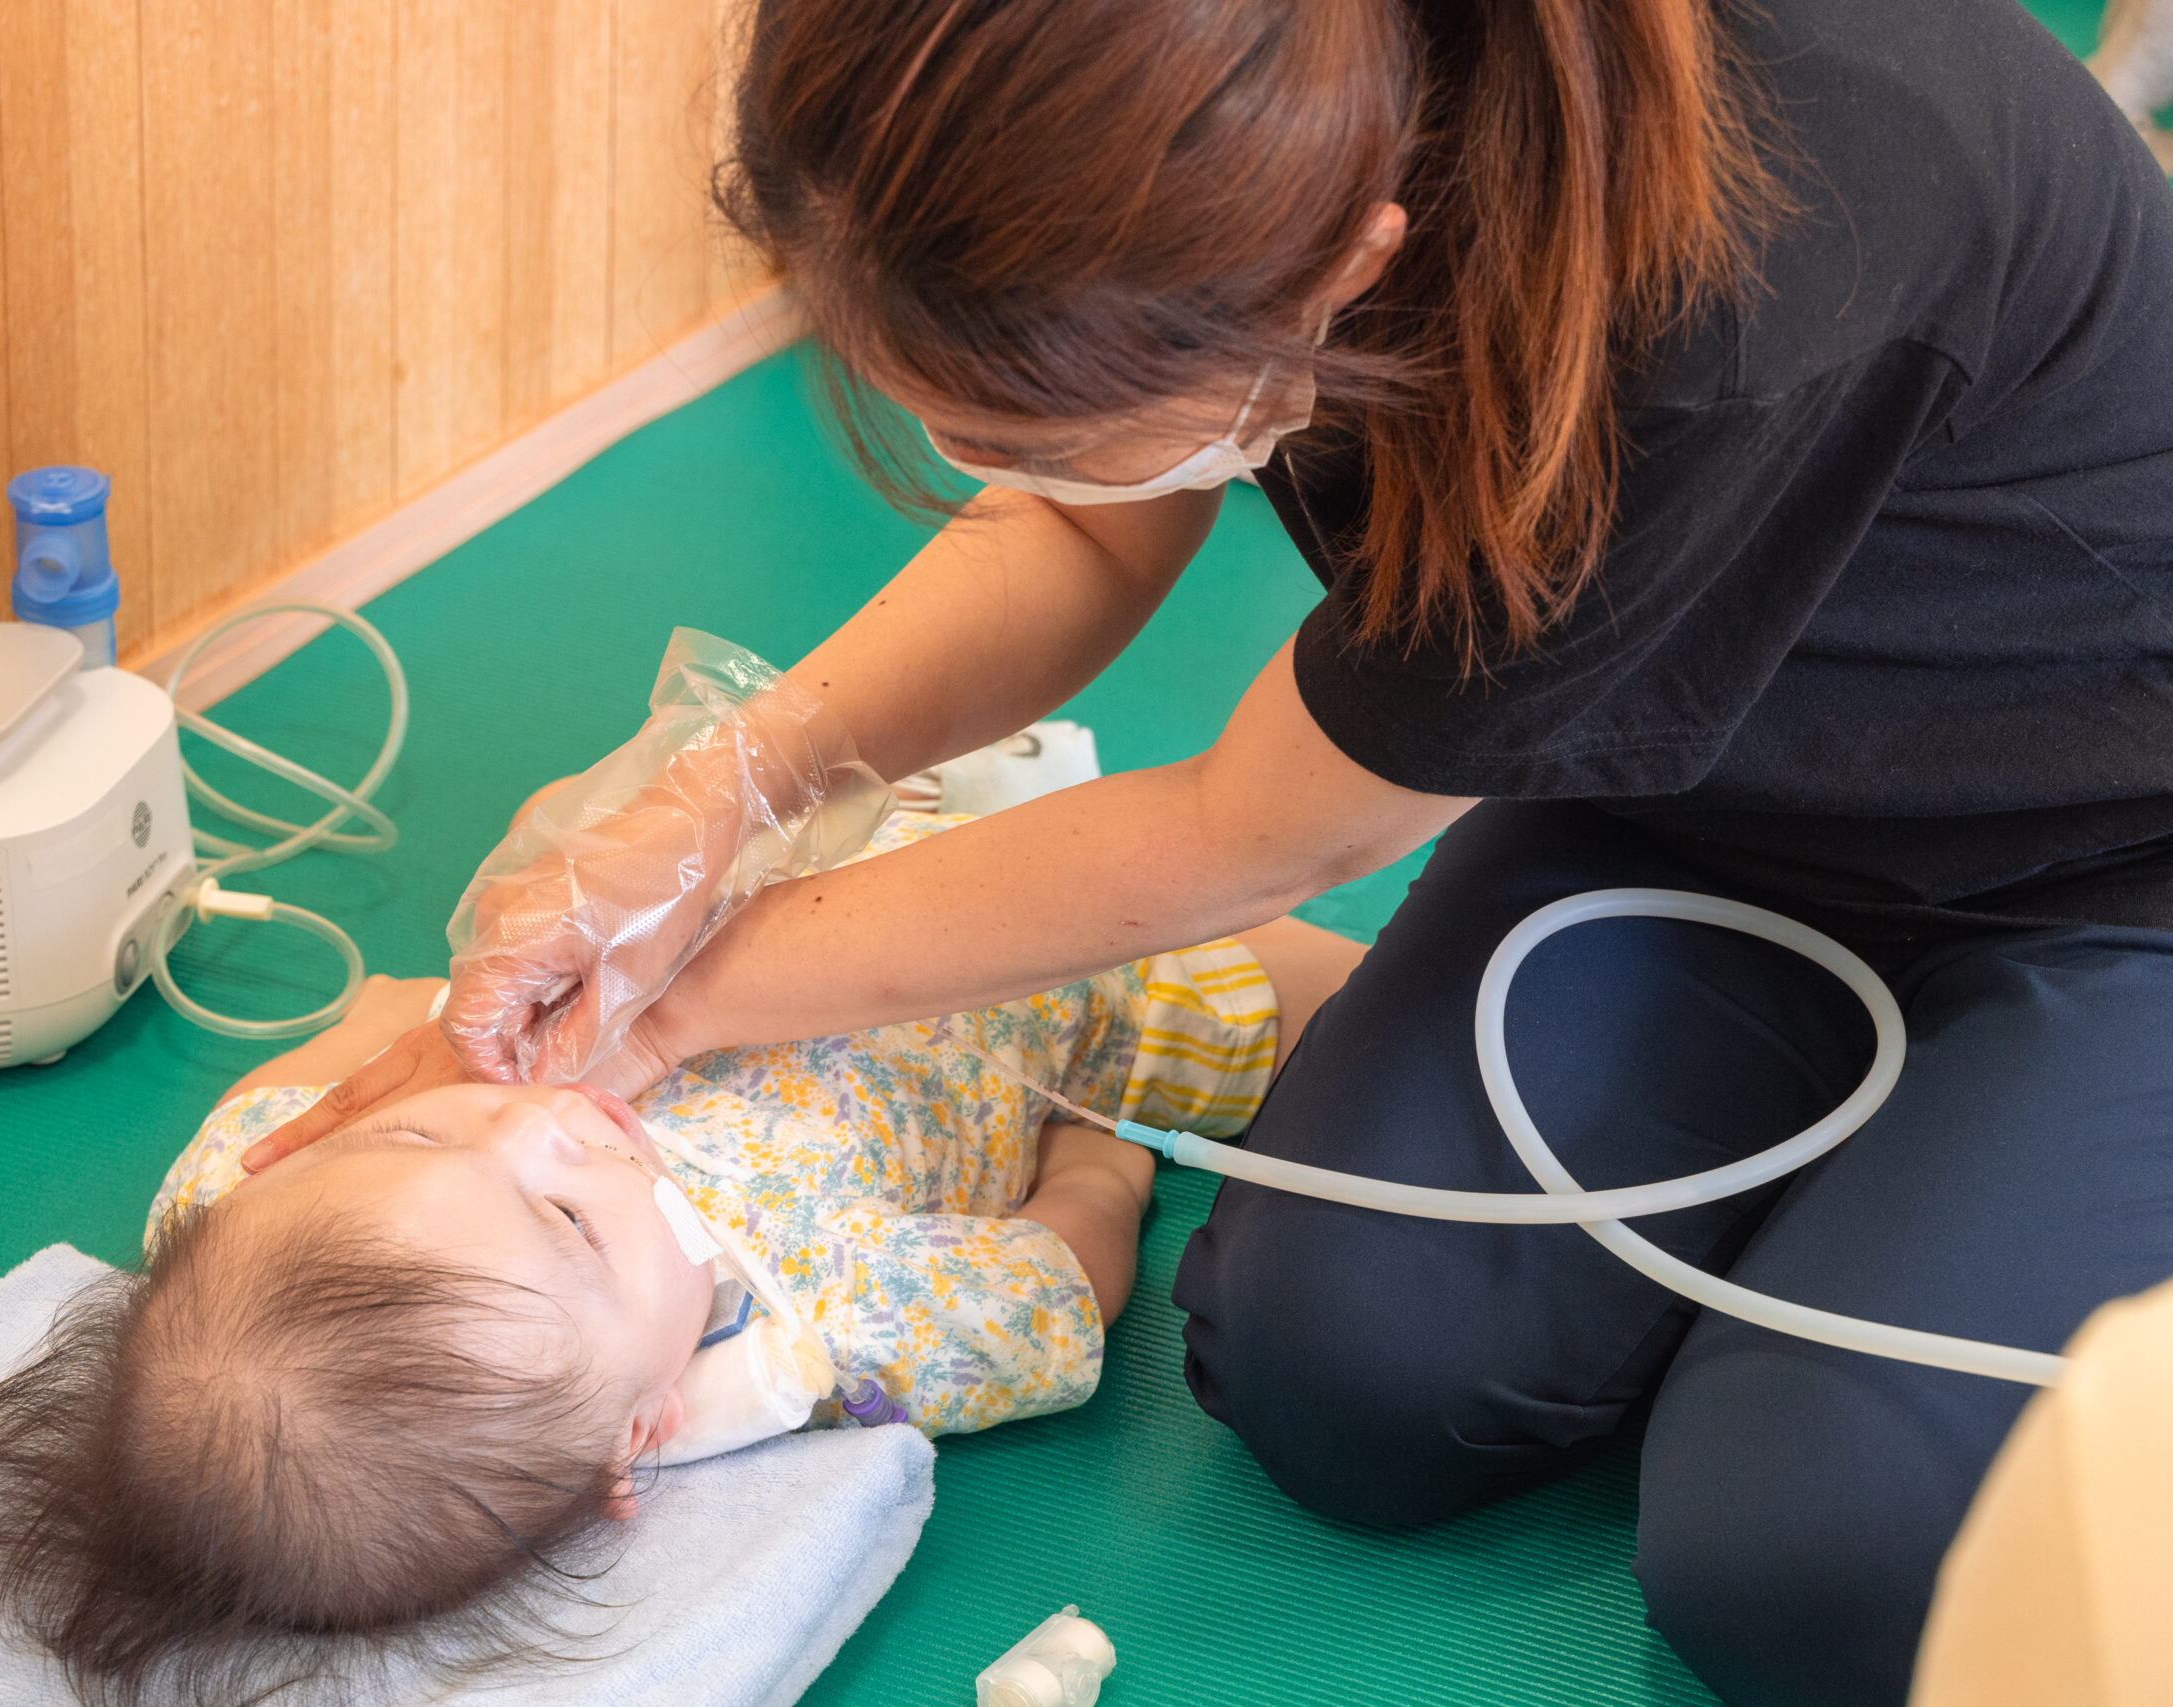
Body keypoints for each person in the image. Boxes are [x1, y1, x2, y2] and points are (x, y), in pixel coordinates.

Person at [251, 2, 2173, 1701]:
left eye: (1051, 414)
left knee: (1813, 1571)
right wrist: (722, 795)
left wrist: (674, 1000)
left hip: (2113, 855)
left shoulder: (1754, 261)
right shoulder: (1215, 102)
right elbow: (1085, 523)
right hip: (1684, 794)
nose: (532, 1135)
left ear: (1356, 248)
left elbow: (1239, 837)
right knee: (1338, 1373)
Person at [0, 822, 1357, 1705]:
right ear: (641, 1435)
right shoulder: (819, 1329)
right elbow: (1056, 1286)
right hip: (1059, 975)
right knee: (1324, 999)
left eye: (432, 1143)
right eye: (567, 1220)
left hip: (754, 883)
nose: (544, 1126)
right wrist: (1093, 1161)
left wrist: (415, 1049)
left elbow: (330, 1065)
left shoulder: (244, 1216)